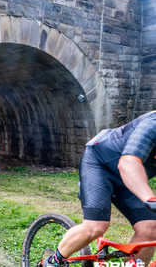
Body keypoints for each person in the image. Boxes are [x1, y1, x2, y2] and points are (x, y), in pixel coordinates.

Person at [43, 111, 156, 266]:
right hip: (100, 163)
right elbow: (128, 164)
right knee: (96, 226)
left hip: (131, 179)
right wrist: (150, 199)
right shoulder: (153, 124)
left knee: (150, 227)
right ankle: (53, 261)